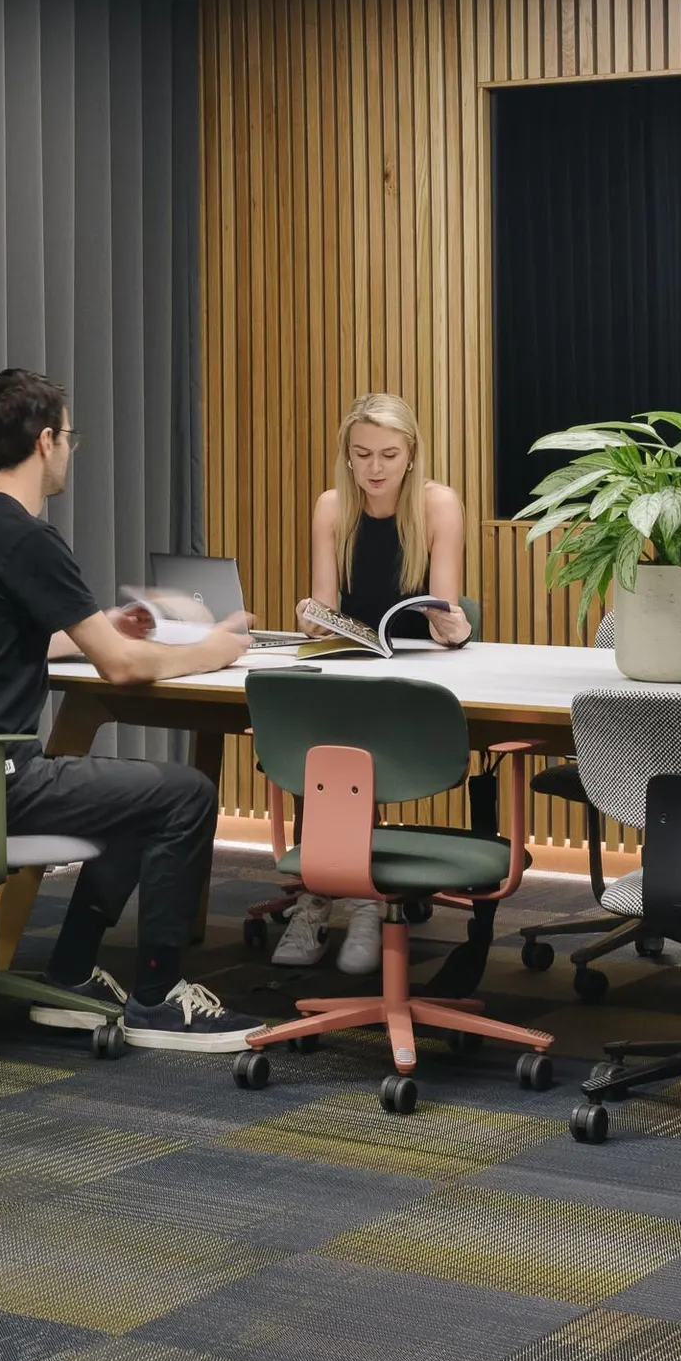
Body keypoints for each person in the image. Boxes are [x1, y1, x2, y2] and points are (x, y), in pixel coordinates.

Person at [0, 367, 264, 1052]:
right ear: (45, 441)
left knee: (137, 798)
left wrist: (97, 622)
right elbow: (124, 668)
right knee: (187, 794)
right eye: (70, 437)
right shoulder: (29, 537)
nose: (71, 450)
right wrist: (217, 648)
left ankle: (71, 974)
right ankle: (159, 999)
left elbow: (15, 635)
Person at [274, 390, 471, 976]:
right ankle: (318, 895)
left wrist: (453, 625)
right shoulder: (333, 507)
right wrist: (313, 617)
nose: (375, 469)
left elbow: (447, 615)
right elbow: (326, 610)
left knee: (355, 742)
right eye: (362, 455)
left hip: (416, 672)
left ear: (411, 454)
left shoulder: (439, 505)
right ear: (347, 456)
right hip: (355, 664)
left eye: (388, 454)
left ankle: (362, 903)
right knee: (318, 740)